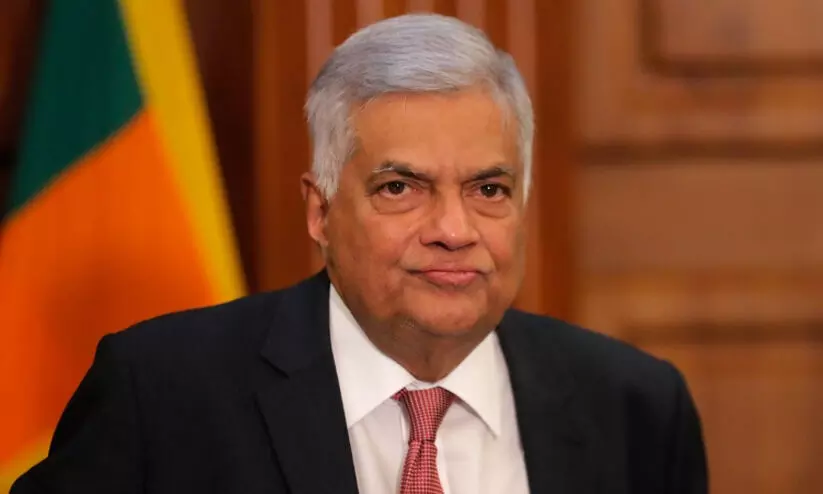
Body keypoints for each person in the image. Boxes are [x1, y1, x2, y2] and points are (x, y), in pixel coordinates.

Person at [12, 13, 707, 494]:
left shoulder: (636, 407)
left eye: (488, 189)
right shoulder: (163, 394)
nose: (454, 229)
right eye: (400, 188)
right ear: (320, 212)